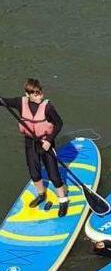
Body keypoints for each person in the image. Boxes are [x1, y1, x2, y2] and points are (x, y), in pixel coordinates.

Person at [1, 78, 69, 216]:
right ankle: (41, 194)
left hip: (45, 143)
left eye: (40, 93)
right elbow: (3, 101)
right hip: (30, 142)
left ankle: (63, 200)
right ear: (28, 94)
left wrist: (49, 140)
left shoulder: (48, 107)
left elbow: (59, 123)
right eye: (36, 94)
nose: (40, 96)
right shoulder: (20, 102)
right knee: (34, 172)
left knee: (53, 175)